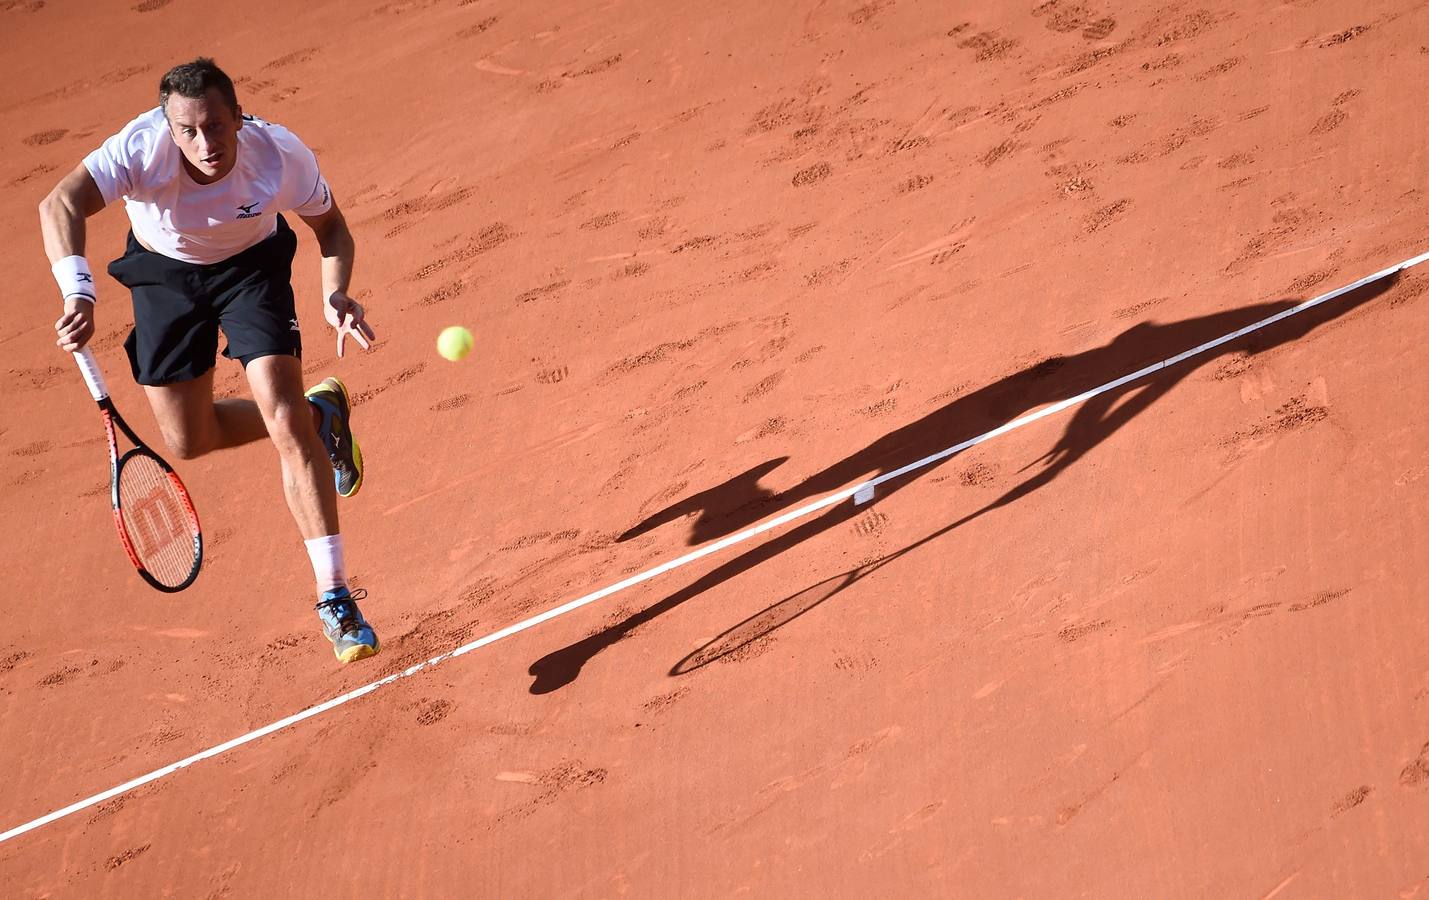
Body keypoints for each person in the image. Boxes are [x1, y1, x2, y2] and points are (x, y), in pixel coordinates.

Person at [38, 58, 381, 664]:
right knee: (189, 440)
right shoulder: (140, 149)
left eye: (217, 126)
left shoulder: (278, 156)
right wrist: (79, 292)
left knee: (280, 416)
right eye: (189, 131)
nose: (206, 143)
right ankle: (321, 414)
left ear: (238, 117)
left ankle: (335, 598)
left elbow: (332, 229)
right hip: (164, 277)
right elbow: (59, 205)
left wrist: (335, 293)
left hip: (253, 271)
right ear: (168, 130)